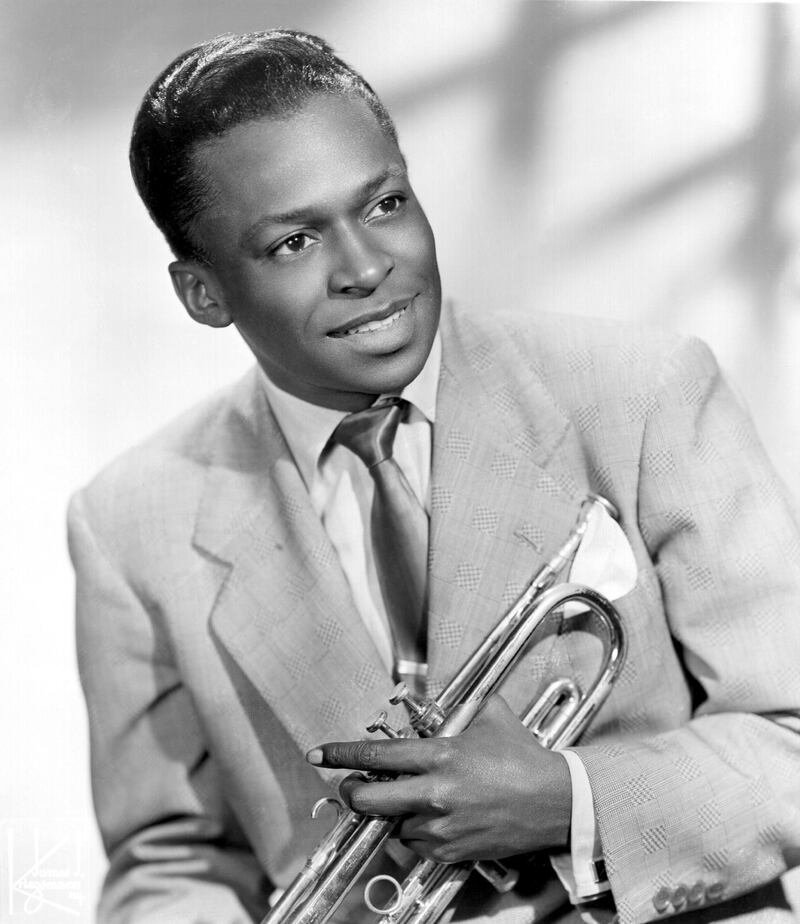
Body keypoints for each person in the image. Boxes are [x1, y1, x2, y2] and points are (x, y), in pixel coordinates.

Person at [68, 29, 800, 924]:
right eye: (295, 242)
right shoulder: (130, 521)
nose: (368, 267)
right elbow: (173, 859)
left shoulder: (645, 395)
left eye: (383, 204)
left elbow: (791, 742)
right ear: (204, 294)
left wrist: (571, 800)